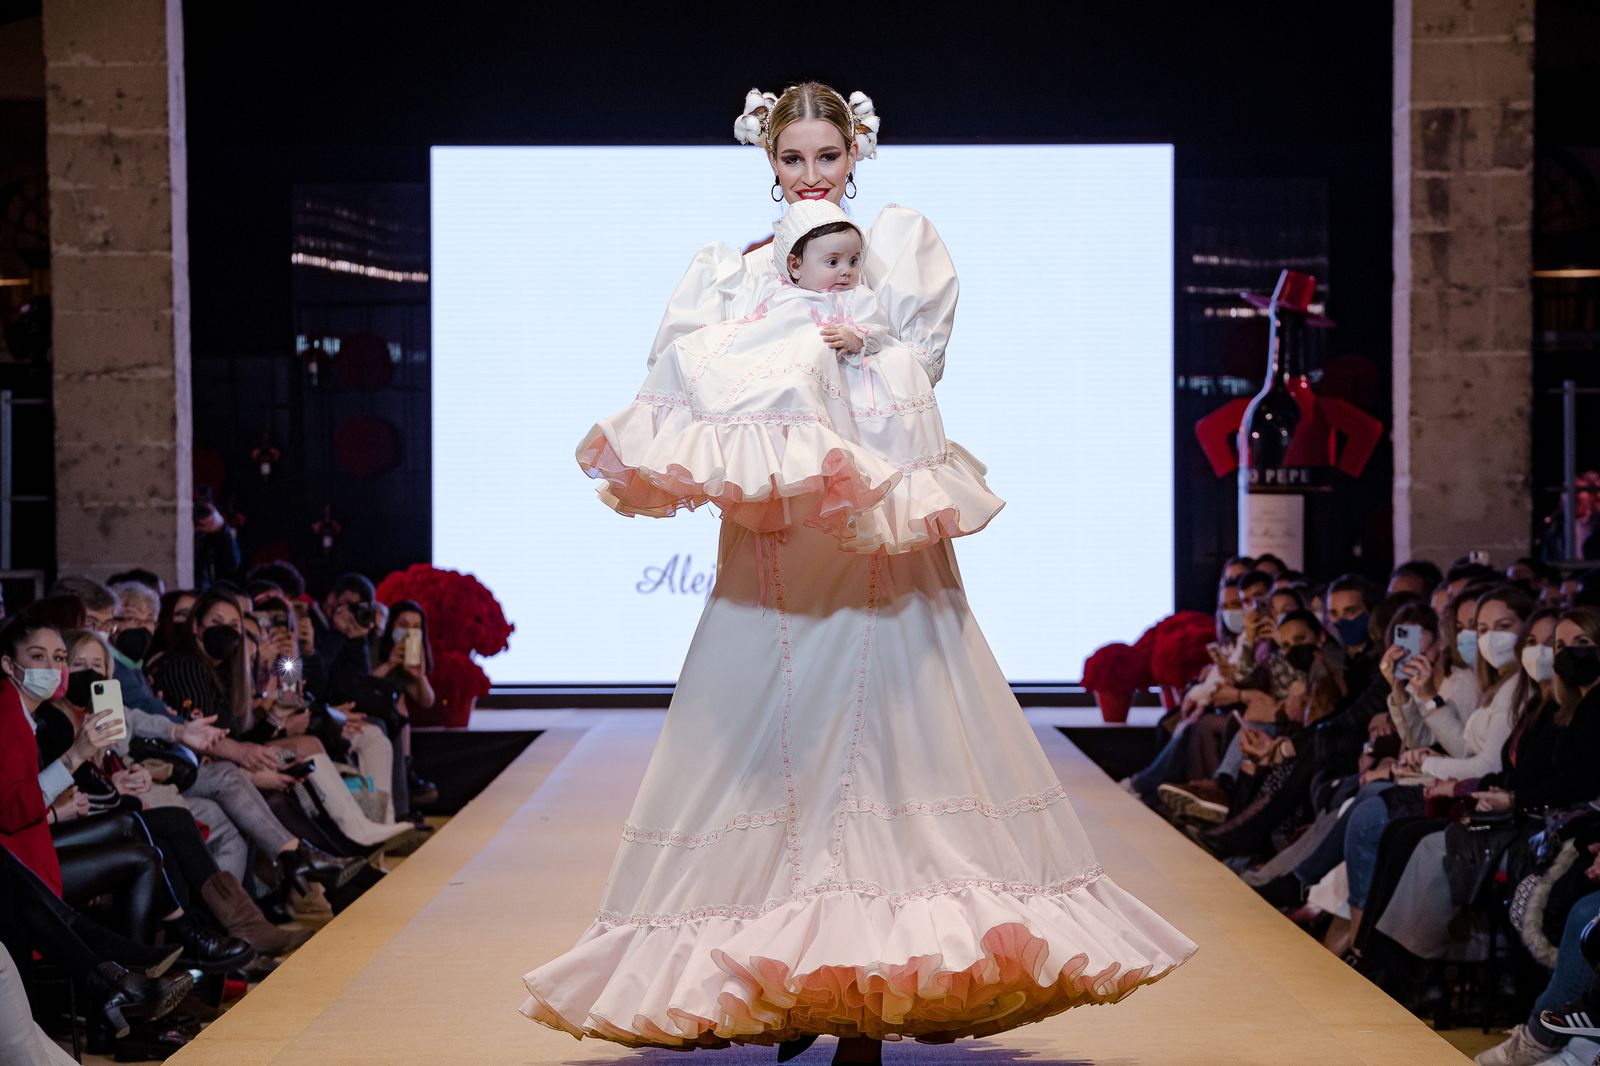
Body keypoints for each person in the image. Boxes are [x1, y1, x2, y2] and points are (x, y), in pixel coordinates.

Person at [520, 82, 1195, 1062]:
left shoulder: (895, 250)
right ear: (767, 161)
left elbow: (922, 367)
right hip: (774, 552)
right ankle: (794, 984)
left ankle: (862, 1008)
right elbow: (676, 397)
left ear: (856, 155)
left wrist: (859, 343)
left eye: (824, 158)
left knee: (888, 752)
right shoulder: (728, 271)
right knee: (764, 748)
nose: (808, 175)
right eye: (791, 159)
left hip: (876, 538)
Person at [579, 196, 1000, 554]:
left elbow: (879, 331)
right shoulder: (770, 288)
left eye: (853, 261)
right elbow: (762, 328)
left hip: (824, 377)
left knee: (799, 384)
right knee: (706, 360)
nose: (846, 271)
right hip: (784, 360)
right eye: (833, 261)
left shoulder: (860, 298)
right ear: (796, 266)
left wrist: (858, 338)